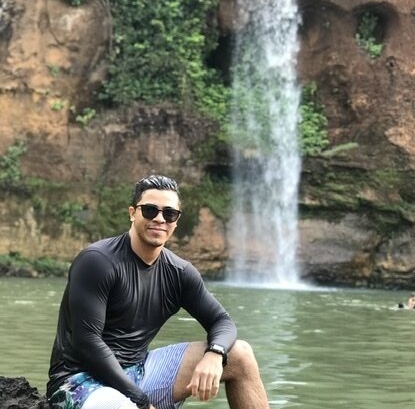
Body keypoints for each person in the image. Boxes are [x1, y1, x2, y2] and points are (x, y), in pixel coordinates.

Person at [46, 174, 270, 409]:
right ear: (132, 213)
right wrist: (141, 402)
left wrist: (215, 354)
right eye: (150, 210)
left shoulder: (180, 273)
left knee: (240, 354)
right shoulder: (98, 261)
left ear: (176, 221)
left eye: (169, 213)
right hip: (79, 381)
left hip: (140, 371)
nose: (160, 219)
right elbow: (87, 342)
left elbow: (222, 321)